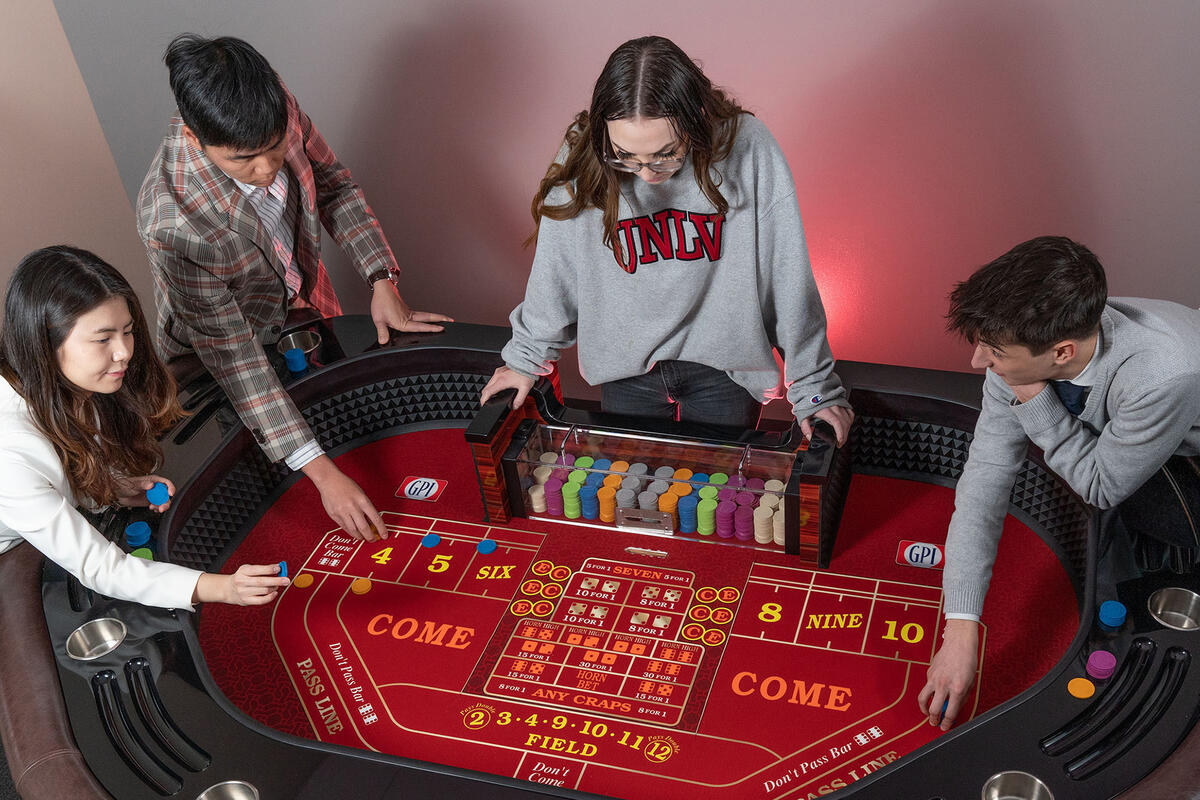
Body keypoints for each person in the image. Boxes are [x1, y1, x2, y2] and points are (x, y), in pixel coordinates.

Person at [137, 34, 451, 542]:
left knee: (341, 422)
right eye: (245, 160)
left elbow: (335, 187)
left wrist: (381, 279)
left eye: (274, 149)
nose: (267, 169)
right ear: (196, 140)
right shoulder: (172, 222)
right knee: (270, 493)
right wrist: (326, 477)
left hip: (303, 304)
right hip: (220, 358)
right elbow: (237, 360)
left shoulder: (277, 108)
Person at [479, 36, 852, 444]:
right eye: (625, 156)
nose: (645, 173)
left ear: (696, 119)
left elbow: (787, 273)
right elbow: (557, 270)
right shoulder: (585, 150)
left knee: (719, 493)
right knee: (633, 492)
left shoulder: (747, 145)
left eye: (665, 154)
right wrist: (525, 360)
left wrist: (814, 387)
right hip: (627, 370)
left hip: (724, 371)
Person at [919, 235, 1200, 730]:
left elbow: (1099, 487)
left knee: (1149, 519)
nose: (978, 362)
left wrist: (1033, 399)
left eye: (993, 352)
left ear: (1062, 351)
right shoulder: (1017, 347)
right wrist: (960, 628)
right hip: (1146, 431)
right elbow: (985, 481)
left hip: (1187, 449)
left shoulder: (1162, 374)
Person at [0, 246, 289, 609]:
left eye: (128, 331)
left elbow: (64, 457)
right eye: (103, 339)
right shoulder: (9, 451)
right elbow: (101, 567)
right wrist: (222, 587)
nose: (123, 352)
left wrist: (112, 488)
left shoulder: (58, 380)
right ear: (45, 344)